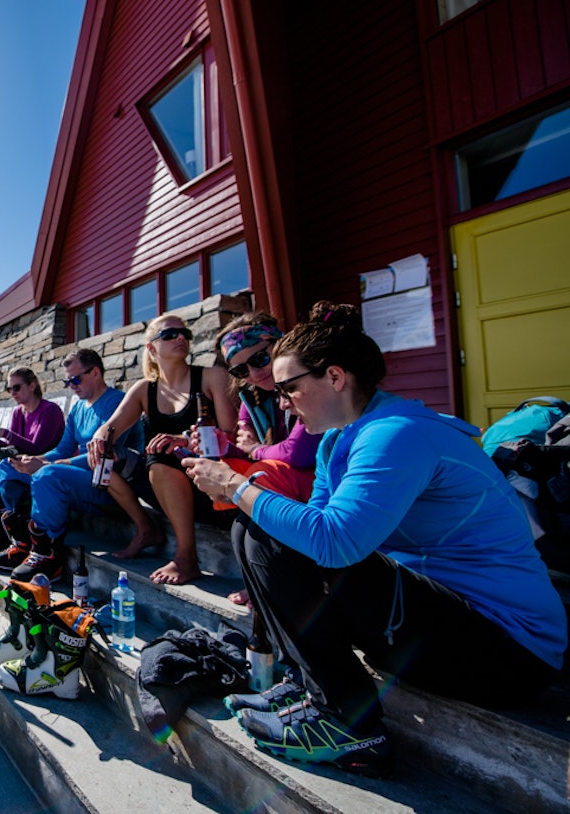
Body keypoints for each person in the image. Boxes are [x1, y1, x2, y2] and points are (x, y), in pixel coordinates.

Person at [184, 301, 568, 776]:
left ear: (335, 377)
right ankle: (308, 685)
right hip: (440, 619)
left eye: (289, 388)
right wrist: (245, 497)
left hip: (510, 654)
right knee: (256, 526)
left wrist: (235, 486)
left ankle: (349, 722)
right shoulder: (337, 439)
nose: (281, 402)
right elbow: (312, 527)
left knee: (265, 525)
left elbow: (334, 543)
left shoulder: (396, 434)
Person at [88, 313, 235, 585]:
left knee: (159, 454)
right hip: (165, 490)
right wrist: (99, 439)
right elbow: (111, 426)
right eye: (169, 335)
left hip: (210, 487)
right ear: (152, 348)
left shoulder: (212, 377)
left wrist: (184, 439)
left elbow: (231, 437)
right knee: (104, 459)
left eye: (184, 334)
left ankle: (186, 557)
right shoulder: (145, 389)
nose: (180, 338)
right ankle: (146, 528)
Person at [0, 348, 143, 581]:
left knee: (48, 475)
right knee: (7, 466)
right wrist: (38, 459)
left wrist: (47, 465)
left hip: (109, 483)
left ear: (95, 373)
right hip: (80, 477)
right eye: (67, 381)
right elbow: (62, 450)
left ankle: (47, 554)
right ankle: (24, 539)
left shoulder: (117, 402)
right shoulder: (79, 408)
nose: (71, 386)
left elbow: (105, 454)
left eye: (75, 379)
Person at [212, 312, 322, 605]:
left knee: (261, 474)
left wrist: (255, 449)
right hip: (290, 483)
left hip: (325, 482)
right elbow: (245, 448)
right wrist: (224, 447)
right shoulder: (253, 396)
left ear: (280, 345)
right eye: (241, 370)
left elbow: (298, 453)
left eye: (260, 359)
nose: (254, 373)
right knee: (229, 470)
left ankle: (278, 578)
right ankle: (262, 576)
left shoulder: (305, 380)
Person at [0, 366, 65, 503]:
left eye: (16, 388)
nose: (13, 393)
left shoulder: (50, 410)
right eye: (9, 389)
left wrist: (5, 433)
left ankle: (14, 505)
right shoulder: (18, 412)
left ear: (32, 386)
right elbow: (12, 445)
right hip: (25, 457)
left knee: (2, 457)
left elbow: (37, 448)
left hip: (46, 460)